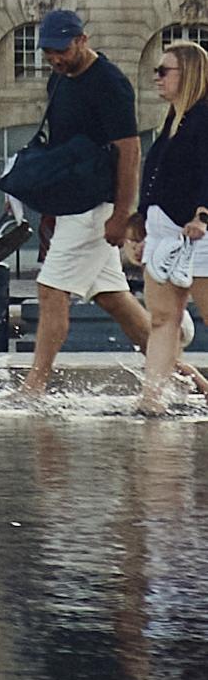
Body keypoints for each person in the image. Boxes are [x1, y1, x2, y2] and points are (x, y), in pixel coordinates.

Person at [17, 8, 147, 402]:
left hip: (97, 205)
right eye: (48, 52)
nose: (54, 58)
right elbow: (62, 149)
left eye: (61, 49)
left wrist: (122, 215)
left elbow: (130, 151)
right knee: (114, 299)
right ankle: (189, 376)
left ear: (81, 40)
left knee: (50, 288)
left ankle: (34, 387)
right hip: (73, 203)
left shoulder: (110, 83)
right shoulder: (59, 82)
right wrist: (52, 207)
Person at [135, 39, 208, 417]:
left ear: (189, 74)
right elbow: (156, 176)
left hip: (197, 229)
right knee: (163, 318)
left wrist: (203, 215)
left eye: (164, 71)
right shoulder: (174, 118)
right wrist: (141, 225)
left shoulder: (204, 115)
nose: (157, 78)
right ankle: (153, 400)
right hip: (165, 227)